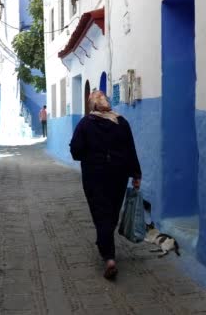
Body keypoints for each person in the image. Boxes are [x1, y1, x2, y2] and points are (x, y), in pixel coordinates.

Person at [69, 90, 141, 279]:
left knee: (100, 213)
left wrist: (90, 155)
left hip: (95, 176)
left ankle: (108, 257)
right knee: (112, 212)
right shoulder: (121, 122)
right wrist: (136, 174)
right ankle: (105, 244)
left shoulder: (85, 124)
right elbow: (130, 149)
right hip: (119, 175)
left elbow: (76, 151)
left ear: (92, 106)